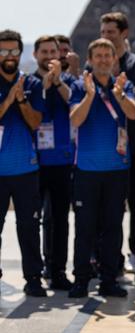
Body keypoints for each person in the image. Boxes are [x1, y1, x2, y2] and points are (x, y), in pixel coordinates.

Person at [68, 39, 135, 298]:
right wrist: (89, 96)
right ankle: (81, 278)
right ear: (90, 59)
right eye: (98, 55)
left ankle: (110, 278)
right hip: (87, 169)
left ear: (114, 59)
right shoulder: (79, 86)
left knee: (113, 226)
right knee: (84, 227)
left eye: (107, 55)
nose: (103, 60)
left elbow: (133, 114)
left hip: (116, 169)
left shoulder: (124, 85)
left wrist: (119, 94)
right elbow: (76, 119)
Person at [100, 12, 135, 281]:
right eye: (104, 31)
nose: (106, 36)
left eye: (111, 32)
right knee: (109, 208)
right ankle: (110, 260)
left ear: (124, 33)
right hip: (107, 147)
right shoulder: (97, 66)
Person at [0, 29, 46, 296]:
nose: (9, 56)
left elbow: (36, 122)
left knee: (29, 227)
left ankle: (33, 278)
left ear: (20, 53)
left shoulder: (32, 84)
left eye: (13, 51)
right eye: (4, 51)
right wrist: (9, 98)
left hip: (25, 169)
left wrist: (22, 99)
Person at [32, 35, 75, 290]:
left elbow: (75, 102)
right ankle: (35, 270)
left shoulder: (69, 81)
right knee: (31, 220)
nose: (49, 56)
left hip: (61, 160)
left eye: (53, 51)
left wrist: (57, 81)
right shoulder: (28, 82)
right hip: (34, 161)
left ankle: (57, 269)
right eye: (44, 51)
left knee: (60, 219)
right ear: (36, 54)